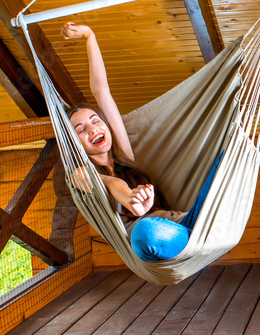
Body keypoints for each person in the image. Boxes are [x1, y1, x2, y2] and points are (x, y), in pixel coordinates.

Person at [62, 22, 219, 261]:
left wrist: (90, 36)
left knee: (226, 158)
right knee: (145, 231)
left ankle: (200, 235)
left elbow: (102, 92)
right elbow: (108, 183)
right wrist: (129, 199)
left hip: (179, 223)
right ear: (75, 143)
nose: (93, 128)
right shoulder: (80, 174)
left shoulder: (124, 153)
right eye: (81, 129)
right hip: (149, 236)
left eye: (95, 120)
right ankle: (197, 241)